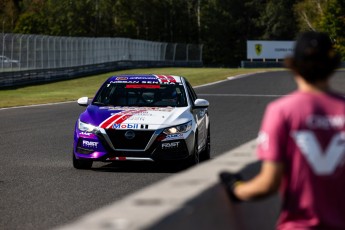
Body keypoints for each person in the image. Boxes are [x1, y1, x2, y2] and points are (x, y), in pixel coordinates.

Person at [219, 31, 345, 229]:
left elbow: (268, 184)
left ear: (294, 66)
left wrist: (236, 189)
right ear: (333, 66)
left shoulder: (282, 111)